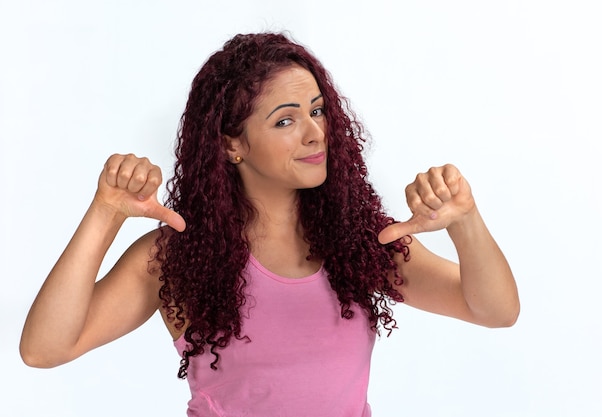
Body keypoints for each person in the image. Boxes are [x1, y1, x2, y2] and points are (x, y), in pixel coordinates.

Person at [20, 32, 519, 417]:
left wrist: (465, 221)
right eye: (285, 120)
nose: (314, 132)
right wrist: (105, 213)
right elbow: (44, 349)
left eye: (318, 111)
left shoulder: (362, 244)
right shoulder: (175, 259)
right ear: (230, 145)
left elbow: (495, 310)